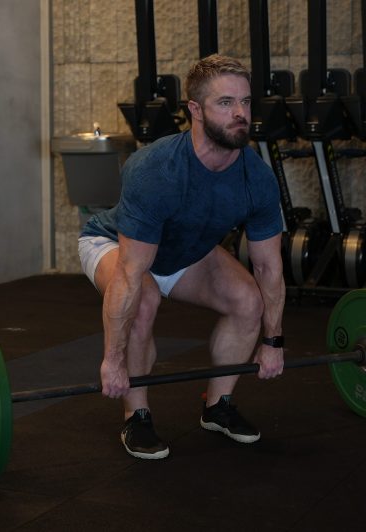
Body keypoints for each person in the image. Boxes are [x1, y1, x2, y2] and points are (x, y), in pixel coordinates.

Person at [77, 54, 286, 460]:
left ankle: (218, 407)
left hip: (185, 250)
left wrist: (274, 340)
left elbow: (268, 266)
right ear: (195, 110)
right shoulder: (156, 170)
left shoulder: (256, 178)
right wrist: (113, 360)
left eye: (244, 102)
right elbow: (131, 274)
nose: (240, 113)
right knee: (144, 299)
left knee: (247, 301)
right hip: (113, 245)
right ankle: (136, 415)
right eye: (225, 103)